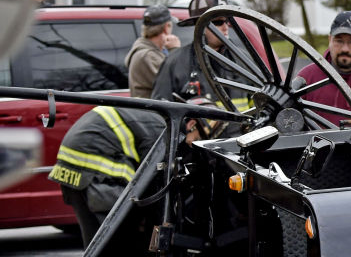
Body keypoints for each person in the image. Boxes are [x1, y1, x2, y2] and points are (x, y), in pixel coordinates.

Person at [47, 100, 221, 247]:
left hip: (71, 166)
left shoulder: (156, 113)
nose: (195, 145)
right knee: (117, 244)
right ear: (191, 125)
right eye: (198, 139)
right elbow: (151, 179)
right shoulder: (161, 127)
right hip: (97, 171)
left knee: (95, 245)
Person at [151, 0, 233, 104]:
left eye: (227, 21)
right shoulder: (174, 63)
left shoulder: (244, 64)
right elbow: (160, 110)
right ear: (199, 25)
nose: (225, 27)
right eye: (218, 22)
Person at [126, 5, 180, 98]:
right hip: (150, 112)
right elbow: (178, 84)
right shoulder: (148, 56)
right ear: (166, 27)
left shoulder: (149, 52)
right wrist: (175, 50)